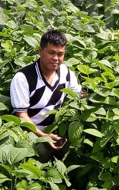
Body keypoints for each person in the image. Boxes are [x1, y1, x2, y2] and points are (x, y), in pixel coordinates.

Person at [10, 29, 82, 161]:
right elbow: (21, 116)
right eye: (51, 53)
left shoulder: (65, 72)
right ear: (40, 51)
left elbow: (79, 95)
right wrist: (43, 136)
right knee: (41, 152)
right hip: (29, 132)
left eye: (60, 54)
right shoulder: (23, 77)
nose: (56, 58)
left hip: (54, 129)